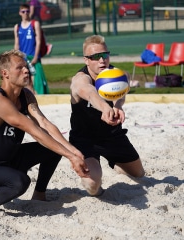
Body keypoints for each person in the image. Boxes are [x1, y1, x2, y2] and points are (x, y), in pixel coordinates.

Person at [0, 49, 89, 220]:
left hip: (9, 159)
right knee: (20, 182)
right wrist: (70, 156)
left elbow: (44, 124)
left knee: (54, 150)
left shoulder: (26, 95)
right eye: (20, 68)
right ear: (5, 74)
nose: (26, 70)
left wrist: (72, 151)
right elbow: (34, 131)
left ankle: (39, 194)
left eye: (26, 67)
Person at [69, 35, 145, 196]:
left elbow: (123, 88)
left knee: (138, 175)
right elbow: (88, 92)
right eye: (95, 57)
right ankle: (95, 171)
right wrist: (104, 107)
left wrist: (117, 106)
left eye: (105, 55)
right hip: (85, 139)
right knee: (92, 186)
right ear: (86, 60)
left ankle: (116, 164)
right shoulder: (80, 79)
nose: (102, 60)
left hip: (112, 136)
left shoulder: (117, 75)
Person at [14, 3, 49, 95]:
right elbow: (16, 44)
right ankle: (28, 98)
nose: (25, 13)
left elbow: (38, 41)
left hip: (33, 56)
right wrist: (15, 57)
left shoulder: (34, 24)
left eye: (27, 11)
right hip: (23, 57)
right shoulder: (17, 27)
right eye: (23, 11)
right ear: (20, 13)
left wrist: (36, 56)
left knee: (36, 80)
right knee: (24, 79)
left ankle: (38, 97)